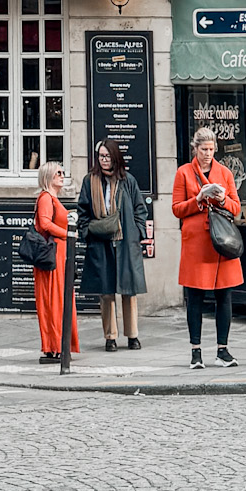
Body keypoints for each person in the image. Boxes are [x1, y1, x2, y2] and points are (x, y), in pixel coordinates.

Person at [171, 127, 243, 369]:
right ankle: (196, 351)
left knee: (225, 295)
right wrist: (198, 199)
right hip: (196, 243)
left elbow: (236, 208)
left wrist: (222, 199)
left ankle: (223, 350)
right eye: (204, 150)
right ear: (195, 148)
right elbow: (177, 208)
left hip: (221, 240)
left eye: (211, 150)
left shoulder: (224, 173)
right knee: (195, 297)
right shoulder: (184, 172)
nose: (208, 154)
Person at [77, 138, 149, 351]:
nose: (104, 160)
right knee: (106, 292)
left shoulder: (128, 180)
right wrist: (88, 231)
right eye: (101, 156)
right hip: (101, 243)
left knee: (129, 290)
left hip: (125, 242)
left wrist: (136, 232)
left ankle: (132, 335)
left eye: (107, 156)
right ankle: (110, 337)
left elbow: (140, 209)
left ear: (116, 157)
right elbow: (83, 210)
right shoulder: (89, 181)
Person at [32, 160, 79, 364]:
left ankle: (59, 344)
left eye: (62, 172)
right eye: (58, 173)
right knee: (53, 299)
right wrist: (67, 234)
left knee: (60, 298)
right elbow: (44, 223)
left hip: (59, 253)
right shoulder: (45, 197)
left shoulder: (53, 199)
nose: (62, 175)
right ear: (48, 177)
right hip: (52, 254)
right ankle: (53, 345)